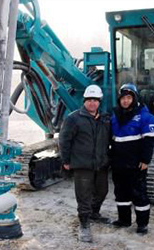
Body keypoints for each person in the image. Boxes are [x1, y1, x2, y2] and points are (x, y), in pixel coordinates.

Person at [59, 84, 111, 243]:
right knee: (84, 196)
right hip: (82, 164)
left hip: (100, 163)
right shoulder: (74, 118)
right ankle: (84, 224)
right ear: (84, 101)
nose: (92, 103)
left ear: (99, 102)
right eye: (89, 100)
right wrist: (66, 160)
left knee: (102, 191)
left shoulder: (104, 119)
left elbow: (109, 139)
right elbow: (64, 141)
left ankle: (94, 213)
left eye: (95, 100)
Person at [110, 83, 154, 235]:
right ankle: (124, 220)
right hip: (119, 163)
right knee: (121, 193)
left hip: (136, 164)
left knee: (139, 195)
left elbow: (150, 141)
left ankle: (142, 224)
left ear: (135, 98)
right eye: (123, 98)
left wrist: (145, 160)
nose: (125, 101)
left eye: (129, 97)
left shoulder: (145, 117)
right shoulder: (115, 116)